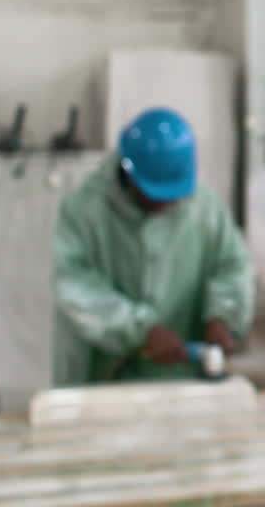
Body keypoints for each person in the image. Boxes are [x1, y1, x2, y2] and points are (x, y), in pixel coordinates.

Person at [51, 107, 254, 384]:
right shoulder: (84, 213)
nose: (167, 205)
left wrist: (223, 318)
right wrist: (138, 331)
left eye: (174, 197)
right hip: (104, 380)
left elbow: (232, 266)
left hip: (184, 383)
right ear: (129, 174)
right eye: (156, 196)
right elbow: (74, 286)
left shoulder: (206, 210)